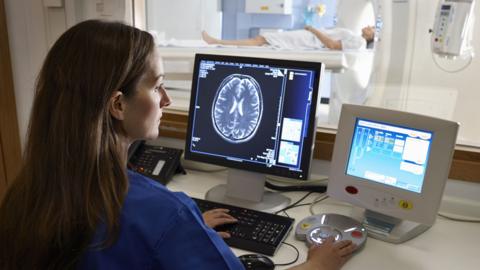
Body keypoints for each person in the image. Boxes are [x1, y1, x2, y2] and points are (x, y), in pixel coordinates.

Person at [0, 20, 357, 269]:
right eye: (157, 86)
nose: (167, 100)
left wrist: (183, 234)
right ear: (118, 105)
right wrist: (317, 265)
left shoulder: (26, 195)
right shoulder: (165, 213)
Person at [202, 25, 375, 50]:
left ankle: (217, 41)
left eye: (372, 28)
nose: (369, 26)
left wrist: (313, 29)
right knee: (262, 40)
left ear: (372, 36)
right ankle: (220, 42)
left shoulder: (359, 42)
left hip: (308, 40)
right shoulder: (355, 36)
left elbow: (332, 44)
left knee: (262, 40)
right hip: (307, 37)